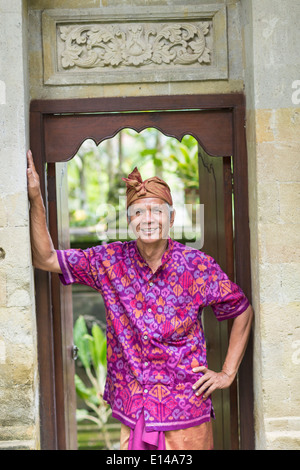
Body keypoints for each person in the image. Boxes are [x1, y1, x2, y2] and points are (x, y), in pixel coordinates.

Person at [27, 149, 253, 450]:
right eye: (138, 212)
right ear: (129, 220)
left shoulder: (197, 266)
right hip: (133, 409)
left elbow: (242, 309)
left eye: (157, 211)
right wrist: (34, 197)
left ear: (171, 218)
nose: (148, 219)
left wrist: (227, 372)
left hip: (185, 408)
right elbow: (45, 258)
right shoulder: (109, 261)